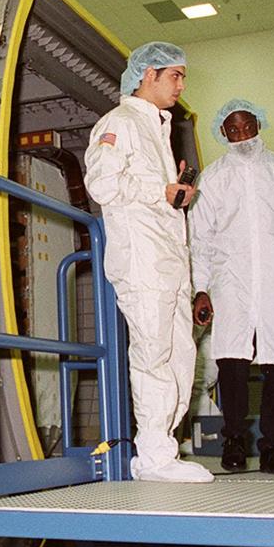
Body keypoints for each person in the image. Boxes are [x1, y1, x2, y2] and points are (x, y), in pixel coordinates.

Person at [84, 41, 212, 483]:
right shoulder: (119, 122)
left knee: (181, 354)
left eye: (182, 76)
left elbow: (155, 194)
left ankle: (164, 449)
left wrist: (173, 191)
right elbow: (101, 184)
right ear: (147, 75)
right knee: (154, 354)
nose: (181, 84)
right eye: (174, 75)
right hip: (141, 261)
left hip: (169, 261)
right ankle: (153, 456)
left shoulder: (159, 128)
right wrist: (159, 192)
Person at [189, 99, 274, 474]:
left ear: (259, 124)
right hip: (232, 282)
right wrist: (201, 288)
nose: (242, 135)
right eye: (233, 129)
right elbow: (200, 240)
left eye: (247, 126)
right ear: (222, 133)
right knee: (232, 362)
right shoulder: (212, 179)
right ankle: (234, 442)